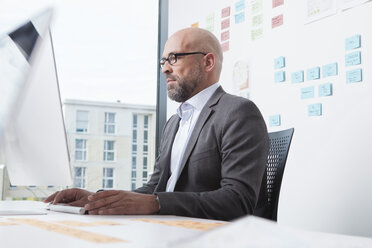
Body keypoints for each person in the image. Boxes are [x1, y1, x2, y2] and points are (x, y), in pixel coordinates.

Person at [45, 27, 269, 221]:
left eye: (174, 58)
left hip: (213, 237)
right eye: (163, 61)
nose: (165, 69)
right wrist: (97, 198)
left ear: (207, 62)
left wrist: (156, 203)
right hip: (169, 229)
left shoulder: (238, 113)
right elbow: (154, 188)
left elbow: (238, 200)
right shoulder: (174, 122)